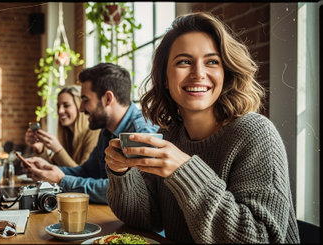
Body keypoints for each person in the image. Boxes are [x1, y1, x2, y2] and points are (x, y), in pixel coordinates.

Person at [104, 12, 300, 243]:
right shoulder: (170, 135)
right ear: (165, 78)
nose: (198, 73)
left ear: (225, 74)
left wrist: (184, 170)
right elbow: (146, 218)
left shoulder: (256, 133)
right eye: (184, 62)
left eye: (212, 62)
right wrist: (121, 173)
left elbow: (260, 238)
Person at [18, 63, 159, 204]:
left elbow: (129, 190)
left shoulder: (142, 133)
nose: (81, 109)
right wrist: (48, 169)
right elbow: (87, 171)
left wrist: (62, 181)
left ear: (108, 99)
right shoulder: (107, 132)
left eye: (85, 100)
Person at [24, 85, 100, 167]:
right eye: (58, 106)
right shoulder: (67, 135)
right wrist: (40, 149)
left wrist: (58, 150)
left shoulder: (94, 133)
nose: (60, 111)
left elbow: (82, 175)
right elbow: (52, 170)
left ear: (79, 107)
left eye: (66, 105)